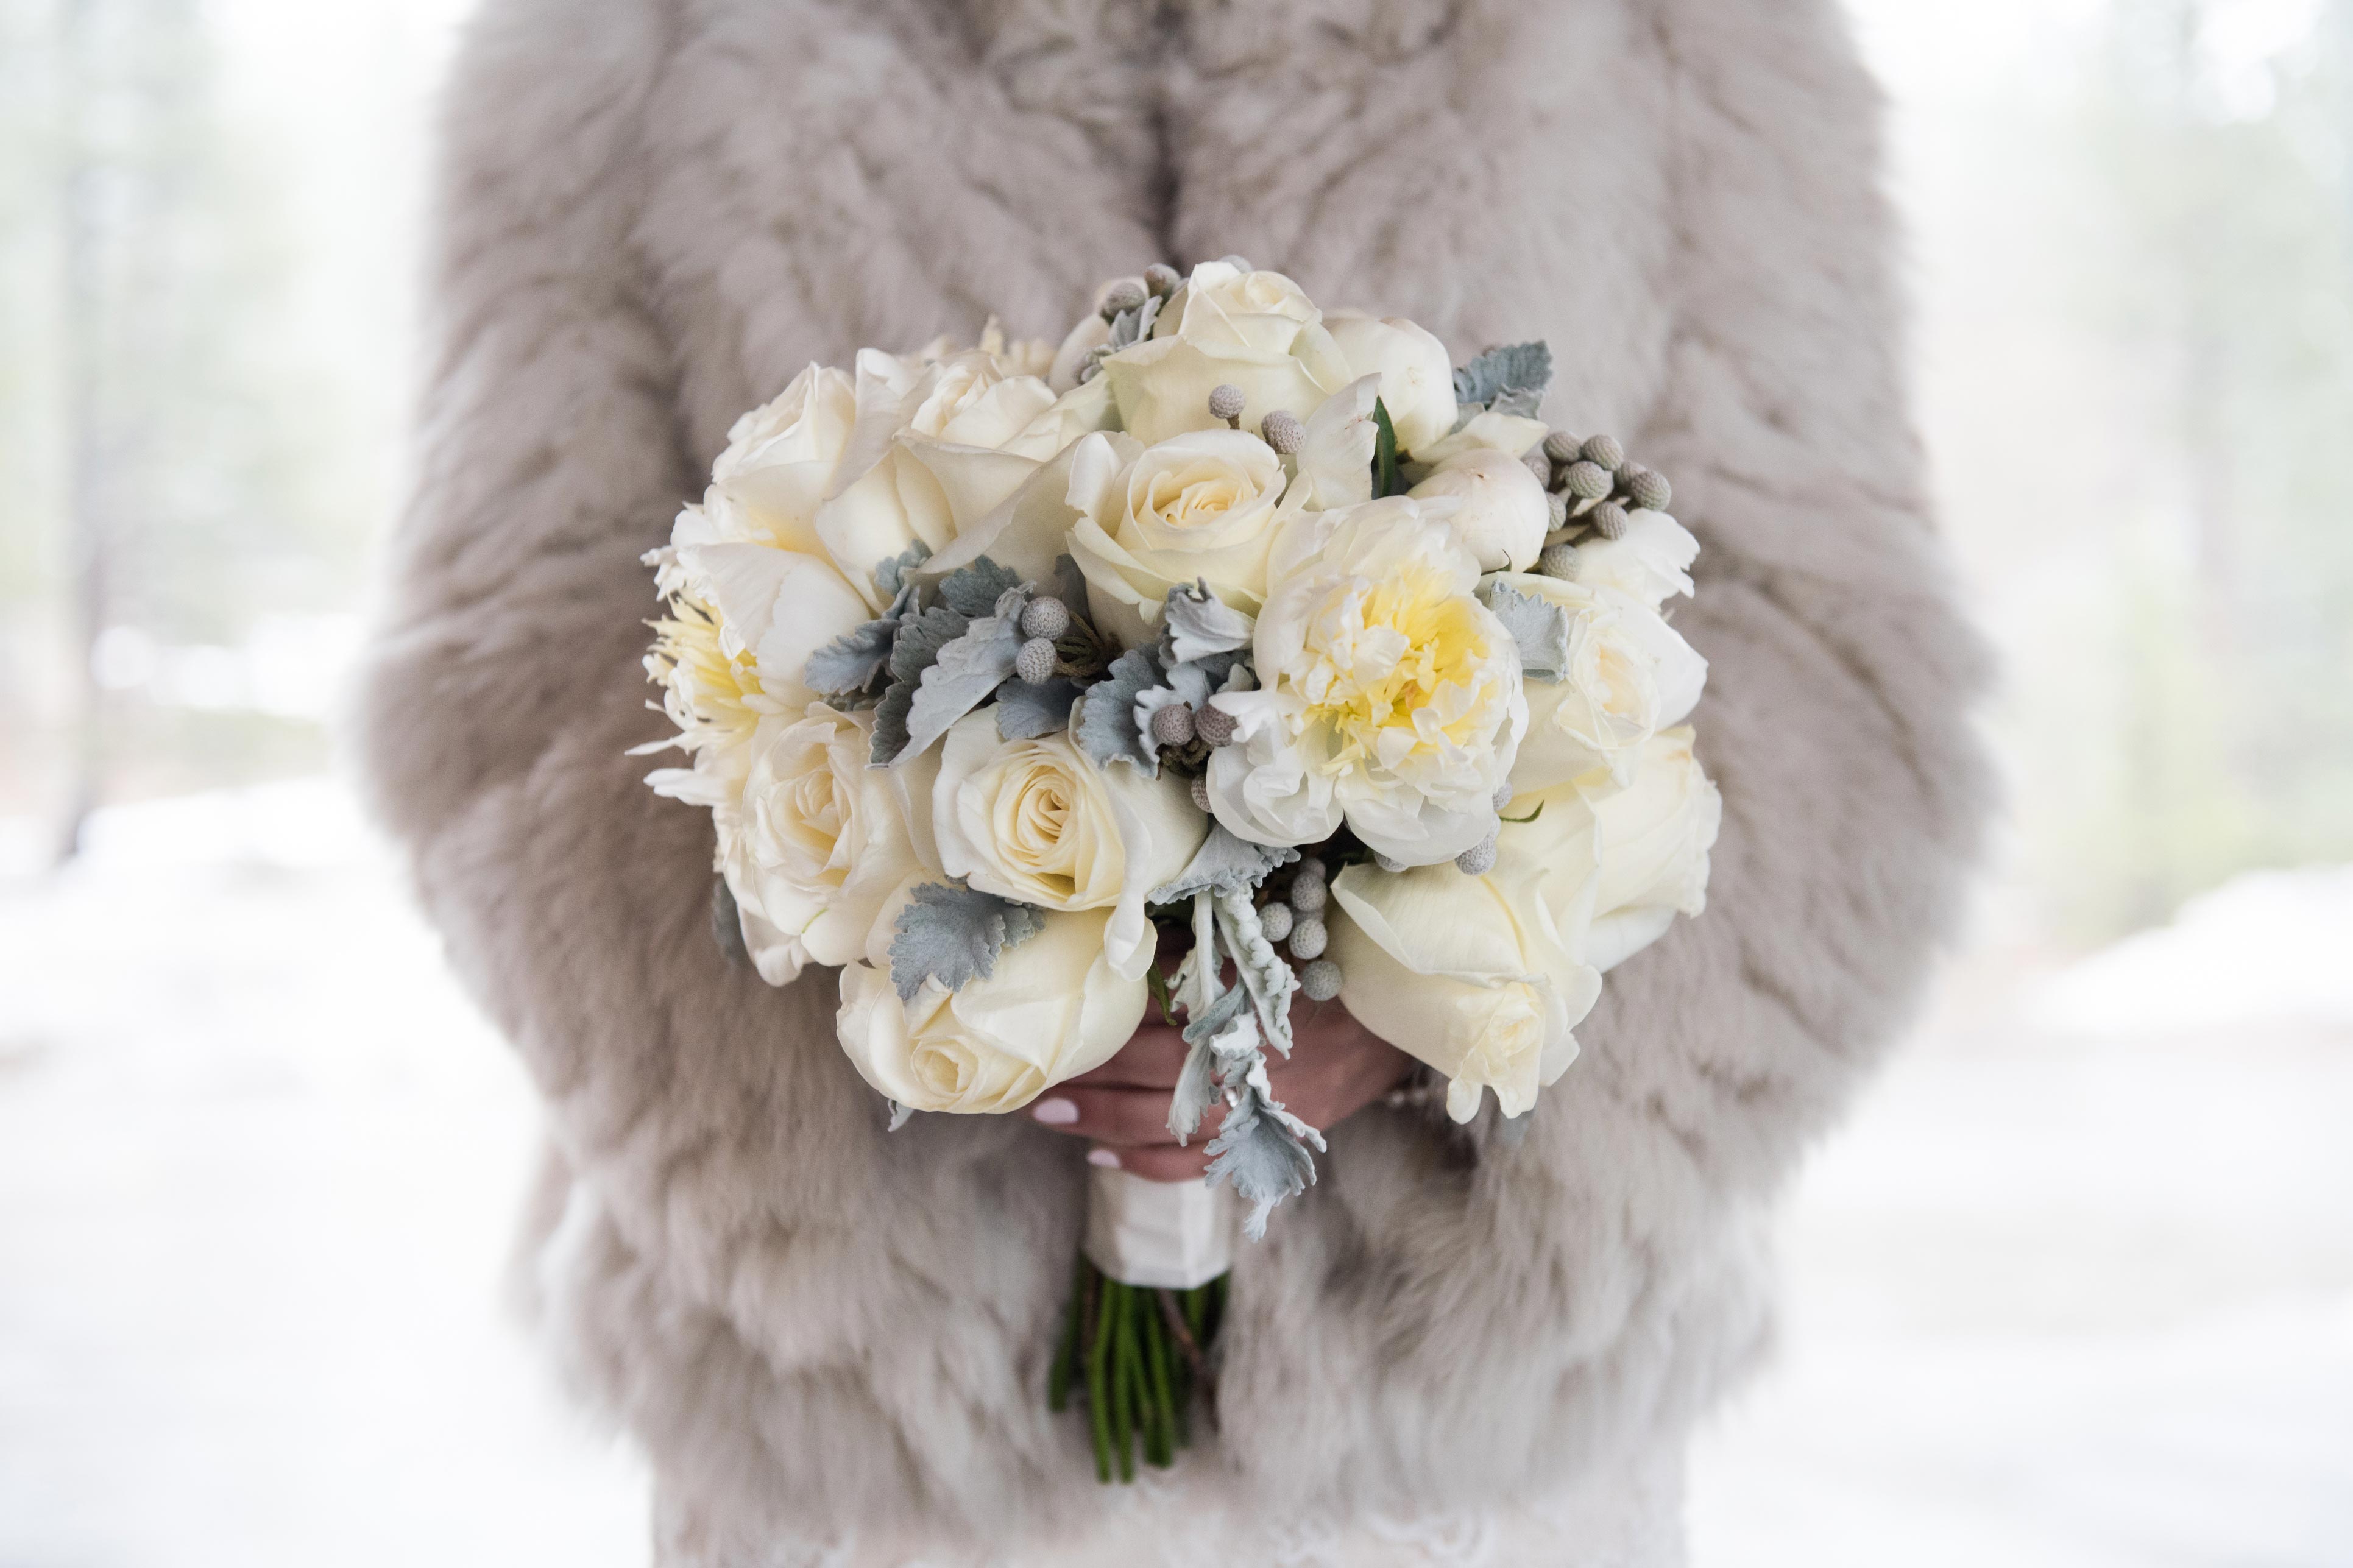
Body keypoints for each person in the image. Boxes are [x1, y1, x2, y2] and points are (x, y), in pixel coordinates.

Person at [359, 0, 1986, 1561]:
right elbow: (518, 664)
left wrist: (1439, 999)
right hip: (872, 1377)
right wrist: (943, 989)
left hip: (1457, 1393)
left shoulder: (1689, 29)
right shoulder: (618, 34)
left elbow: (1830, 647)